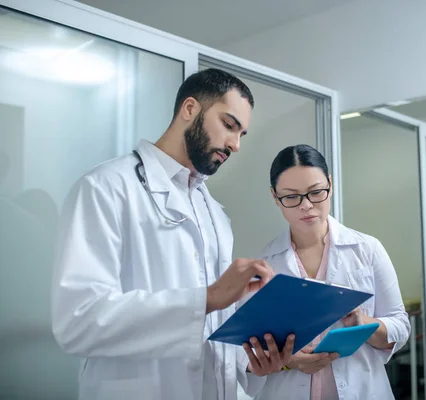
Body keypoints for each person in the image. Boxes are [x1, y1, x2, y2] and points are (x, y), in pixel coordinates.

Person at [51, 68, 294, 400]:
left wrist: (253, 364)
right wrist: (207, 298)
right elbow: (78, 322)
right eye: (228, 125)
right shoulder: (106, 188)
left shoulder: (216, 216)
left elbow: (212, 338)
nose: (235, 145)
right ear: (190, 109)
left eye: (242, 134)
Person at [249, 144, 411, 399]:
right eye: (291, 196)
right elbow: (248, 346)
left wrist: (363, 323)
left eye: (316, 192)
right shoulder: (263, 264)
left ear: (330, 185)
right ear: (274, 196)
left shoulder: (367, 249)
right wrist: (290, 360)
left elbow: (400, 326)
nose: (306, 206)